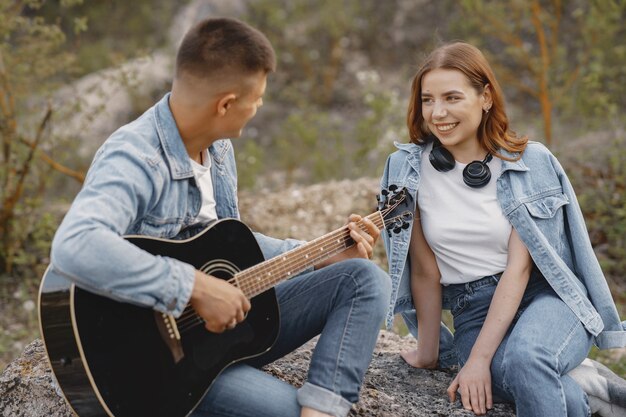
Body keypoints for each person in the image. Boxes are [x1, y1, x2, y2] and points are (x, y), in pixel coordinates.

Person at [48, 17, 391, 417]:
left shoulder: (219, 149)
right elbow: (74, 245)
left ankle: (322, 409)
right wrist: (196, 288)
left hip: (227, 337)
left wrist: (315, 256)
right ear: (226, 104)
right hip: (159, 366)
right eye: (257, 97)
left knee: (365, 279)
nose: (259, 106)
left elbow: (228, 246)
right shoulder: (135, 158)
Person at [379, 41, 626, 417]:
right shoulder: (405, 171)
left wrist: (478, 359)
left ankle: (567, 377)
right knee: (521, 377)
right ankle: (584, 388)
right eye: (428, 99)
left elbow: (520, 268)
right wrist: (429, 351)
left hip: (546, 298)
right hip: (471, 309)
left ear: (486, 97)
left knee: (528, 360)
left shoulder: (529, 162)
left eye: (452, 97)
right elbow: (425, 269)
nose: (438, 113)